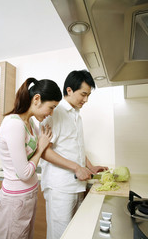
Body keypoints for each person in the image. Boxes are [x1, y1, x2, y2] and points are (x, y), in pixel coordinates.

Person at [40, 70, 108, 239]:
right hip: (60, 188)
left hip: (77, 186)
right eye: (83, 94)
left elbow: (76, 147)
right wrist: (77, 167)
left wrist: (90, 166)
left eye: (88, 95)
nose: (86, 100)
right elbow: (44, 151)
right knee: (59, 235)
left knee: (73, 234)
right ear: (69, 90)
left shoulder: (77, 116)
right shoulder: (54, 113)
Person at [0, 77, 62, 239]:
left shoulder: (30, 122)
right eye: (51, 108)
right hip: (14, 201)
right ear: (37, 99)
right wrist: (41, 147)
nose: (50, 113)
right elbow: (24, 172)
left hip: (27, 197)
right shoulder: (14, 124)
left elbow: (44, 146)